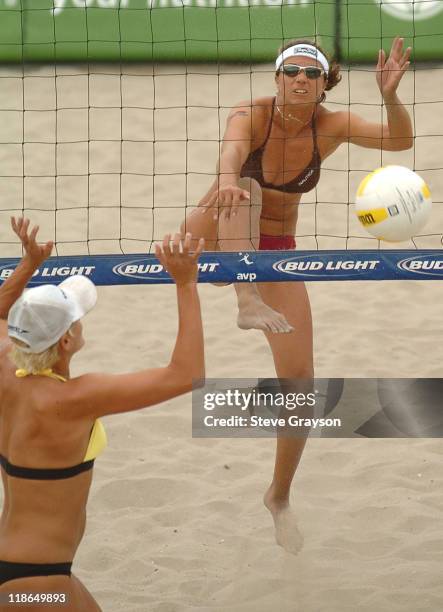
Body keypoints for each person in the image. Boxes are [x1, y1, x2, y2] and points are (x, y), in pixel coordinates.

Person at [180, 37, 412, 553]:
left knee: (300, 387)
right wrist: (227, 183)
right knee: (246, 183)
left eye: (311, 71)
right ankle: (246, 300)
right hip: (214, 232)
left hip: (275, 251)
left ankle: (278, 496)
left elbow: (401, 143)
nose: (300, 78)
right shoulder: (252, 114)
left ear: (324, 82)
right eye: (291, 70)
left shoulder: (330, 125)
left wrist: (391, 98)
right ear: (278, 77)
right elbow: (231, 154)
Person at [0, 217, 205, 611]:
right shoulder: (74, 399)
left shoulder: (8, 370)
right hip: (39, 584)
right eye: (77, 318)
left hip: (30, 573)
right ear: (66, 340)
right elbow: (187, 375)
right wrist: (185, 283)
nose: (80, 321)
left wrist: (27, 266)